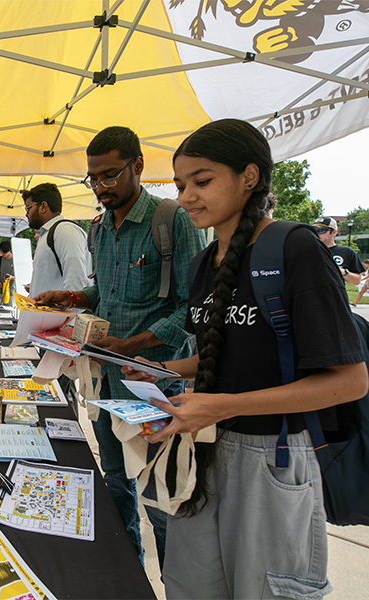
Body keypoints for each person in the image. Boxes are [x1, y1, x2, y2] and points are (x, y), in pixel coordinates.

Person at [125, 118, 367, 599]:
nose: (188, 195)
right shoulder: (202, 263)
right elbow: (224, 347)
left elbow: (350, 380)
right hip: (202, 450)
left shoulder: (295, 248)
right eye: (180, 184)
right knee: (190, 586)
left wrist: (224, 405)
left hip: (274, 457)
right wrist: (165, 371)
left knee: (265, 589)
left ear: (249, 177)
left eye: (203, 180)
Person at [34, 126, 205, 569]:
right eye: (93, 178)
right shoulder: (100, 228)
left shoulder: (171, 220)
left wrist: (135, 344)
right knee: (115, 478)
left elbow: (192, 306)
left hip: (152, 382)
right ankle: (126, 568)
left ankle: (173, 580)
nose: (101, 187)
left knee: (155, 491)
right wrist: (70, 299)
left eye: (110, 176)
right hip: (107, 377)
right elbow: (103, 292)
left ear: (138, 166)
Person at [22, 182, 91, 297]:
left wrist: (67, 310)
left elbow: (76, 282)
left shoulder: (64, 231)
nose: (26, 214)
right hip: (48, 313)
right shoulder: (48, 233)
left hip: (60, 314)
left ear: (43, 207)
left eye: (28, 208)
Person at [313, 216, 364, 286]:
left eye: (321, 230)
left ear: (334, 232)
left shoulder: (347, 252)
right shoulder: (308, 251)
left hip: (335, 295)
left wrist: (343, 272)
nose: (317, 234)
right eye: (314, 231)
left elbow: (357, 281)